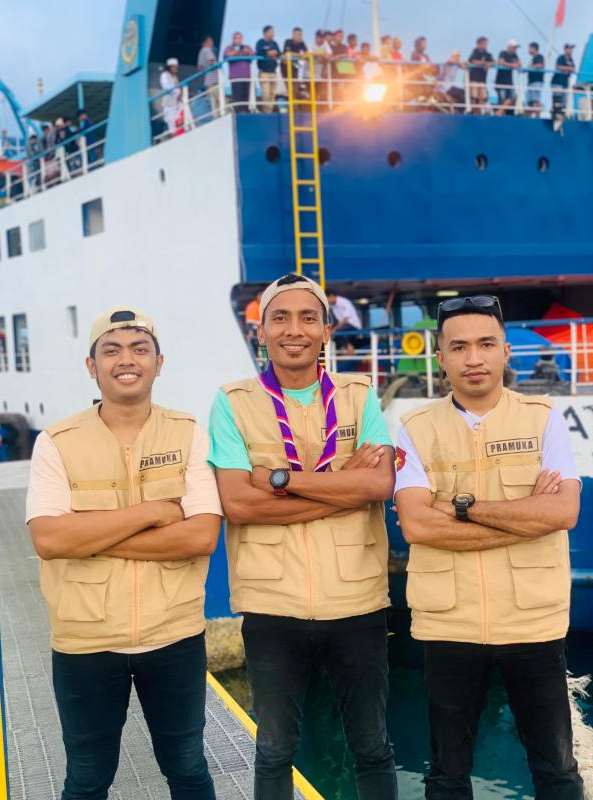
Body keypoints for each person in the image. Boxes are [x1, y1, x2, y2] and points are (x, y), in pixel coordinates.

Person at [208, 273, 397, 800]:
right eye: (281, 318)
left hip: (357, 600)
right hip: (273, 603)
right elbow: (238, 504)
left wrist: (279, 480)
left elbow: (379, 484)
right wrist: (343, 484)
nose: (295, 329)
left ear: (326, 331)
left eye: (308, 317)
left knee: (372, 747)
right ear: (262, 332)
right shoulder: (233, 402)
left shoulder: (359, 396)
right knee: (274, 751)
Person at [26, 306, 222, 800]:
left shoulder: (188, 433)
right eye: (111, 350)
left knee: (188, 769)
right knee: (88, 779)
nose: (126, 360)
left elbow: (201, 536)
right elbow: (48, 540)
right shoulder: (57, 443)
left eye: (139, 348)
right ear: (91, 366)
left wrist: (89, 536)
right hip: (85, 640)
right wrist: (153, 511)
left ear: (159, 362)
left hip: (174, 634)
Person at [394, 295, 584, 800]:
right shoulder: (415, 429)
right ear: (440, 357)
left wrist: (456, 507)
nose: (473, 358)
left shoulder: (544, 419)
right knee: (447, 776)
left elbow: (563, 513)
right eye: (459, 347)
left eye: (485, 344)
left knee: (557, 771)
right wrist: (526, 517)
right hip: (450, 624)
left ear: (506, 352)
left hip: (532, 622)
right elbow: (416, 525)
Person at [224, 32, 254, 112]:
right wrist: (238, 51)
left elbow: (253, 54)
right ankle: (238, 113)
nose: (238, 40)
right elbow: (227, 55)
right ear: (233, 39)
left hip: (246, 77)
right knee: (237, 98)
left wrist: (248, 52)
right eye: (236, 38)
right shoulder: (229, 48)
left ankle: (245, 113)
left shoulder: (247, 47)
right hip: (236, 77)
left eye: (239, 38)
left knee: (246, 97)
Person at [327, 289, 362, 354]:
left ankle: (349, 348)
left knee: (337, 332)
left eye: (327, 299)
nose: (327, 301)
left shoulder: (344, 302)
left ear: (331, 296)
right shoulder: (332, 305)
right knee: (334, 336)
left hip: (353, 325)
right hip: (344, 326)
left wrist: (334, 329)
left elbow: (346, 319)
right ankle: (345, 348)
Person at [256, 25, 281, 112]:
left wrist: (272, 53)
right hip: (264, 72)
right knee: (265, 94)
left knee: (272, 94)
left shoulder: (274, 43)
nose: (273, 34)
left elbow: (279, 53)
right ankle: (265, 111)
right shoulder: (260, 42)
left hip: (273, 72)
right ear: (265, 33)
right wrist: (269, 53)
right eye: (271, 32)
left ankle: (269, 111)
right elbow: (259, 53)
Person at [467, 36, 495, 114]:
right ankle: (474, 111)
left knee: (483, 96)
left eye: (486, 44)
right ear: (478, 44)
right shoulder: (475, 52)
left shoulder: (487, 54)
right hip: (474, 78)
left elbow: (494, 62)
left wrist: (489, 63)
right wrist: (483, 63)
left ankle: (479, 111)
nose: (486, 45)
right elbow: (473, 61)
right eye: (484, 44)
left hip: (482, 79)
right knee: (474, 95)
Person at [495, 40, 521, 115]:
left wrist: (513, 65)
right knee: (502, 100)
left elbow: (519, 64)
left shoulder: (515, 55)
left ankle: (499, 112)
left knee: (512, 97)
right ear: (509, 47)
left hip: (509, 82)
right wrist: (512, 65)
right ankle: (500, 114)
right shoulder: (503, 53)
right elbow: (501, 62)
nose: (515, 49)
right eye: (514, 48)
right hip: (501, 81)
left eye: (516, 48)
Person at [281, 27, 308, 99]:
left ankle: (294, 105)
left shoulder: (302, 43)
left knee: (295, 89)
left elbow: (306, 53)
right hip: (286, 70)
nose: (300, 36)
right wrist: (299, 55)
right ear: (293, 35)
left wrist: (301, 55)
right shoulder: (288, 42)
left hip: (296, 69)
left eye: (301, 35)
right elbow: (288, 53)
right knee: (290, 89)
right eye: (298, 35)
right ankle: (292, 104)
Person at [159, 58, 183, 136]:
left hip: (177, 103)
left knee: (180, 120)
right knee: (171, 124)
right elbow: (167, 87)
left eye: (177, 67)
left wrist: (180, 94)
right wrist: (178, 92)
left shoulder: (175, 77)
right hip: (169, 103)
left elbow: (178, 88)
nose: (176, 69)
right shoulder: (164, 75)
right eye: (175, 67)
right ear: (170, 67)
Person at [198, 36, 220, 117]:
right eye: (211, 41)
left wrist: (206, 67)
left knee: (213, 103)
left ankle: (216, 118)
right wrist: (218, 62)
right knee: (219, 101)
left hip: (208, 81)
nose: (212, 43)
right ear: (207, 42)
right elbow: (211, 61)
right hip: (214, 81)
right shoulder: (207, 50)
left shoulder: (202, 51)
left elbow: (199, 67)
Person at [551, 43, 576, 113]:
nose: (571, 50)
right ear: (565, 49)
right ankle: (556, 113)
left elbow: (573, 69)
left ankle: (562, 114)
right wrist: (568, 68)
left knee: (564, 102)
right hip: (557, 82)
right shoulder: (561, 57)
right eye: (569, 49)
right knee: (557, 100)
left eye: (571, 49)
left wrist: (567, 69)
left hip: (565, 83)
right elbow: (558, 67)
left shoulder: (571, 59)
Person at [309, 29, 332, 104]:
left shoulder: (325, 44)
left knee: (318, 93)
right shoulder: (311, 44)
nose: (321, 39)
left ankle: (318, 106)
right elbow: (310, 53)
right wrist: (322, 54)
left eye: (323, 37)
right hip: (309, 74)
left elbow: (329, 54)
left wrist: (325, 56)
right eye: (320, 37)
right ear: (316, 37)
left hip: (319, 75)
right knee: (311, 93)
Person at [525, 42, 545, 117]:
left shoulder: (539, 57)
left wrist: (529, 67)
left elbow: (540, 65)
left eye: (530, 48)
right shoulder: (533, 58)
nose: (529, 50)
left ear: (534, 49)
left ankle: (537, 116)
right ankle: (530, 116)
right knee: (531, 101)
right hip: (531, 82)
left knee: (536, 100)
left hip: (536, 82)